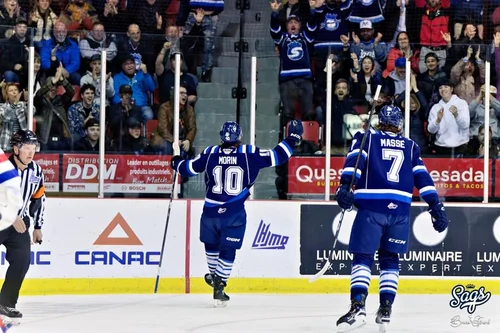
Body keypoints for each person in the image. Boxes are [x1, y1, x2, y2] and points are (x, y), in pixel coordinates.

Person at [334, 105, 449, 332]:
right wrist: (436, 206)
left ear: (379, 121)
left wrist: (344, 188)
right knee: (390, 259)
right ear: (399, 124)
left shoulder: (366, 137)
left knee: (363, 257)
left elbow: (354, 163)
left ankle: (358, 306)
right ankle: (385, 309)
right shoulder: (411, 145)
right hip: (400, 213)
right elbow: (422, 178)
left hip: (371, 209)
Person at [170, 120, 303, 307]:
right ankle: (220, 282)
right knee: (228, 250)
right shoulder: (248, 153)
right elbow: (279, 155)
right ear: (239, 137)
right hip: (233, 213)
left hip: (210, 212)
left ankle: (216, 278)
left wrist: (176, 159)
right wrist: (293, 137)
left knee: (211, 246)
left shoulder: (209, 153)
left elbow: (187, 169)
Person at [0, 130, 46, 320]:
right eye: (27, 148)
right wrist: (10, 214)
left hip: (19, 226)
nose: (31, 152)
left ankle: (6, 304)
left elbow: (39, 198)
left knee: (22, 261)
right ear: (16, 149)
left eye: (33, 148)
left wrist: (37, 226)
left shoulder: (36, 171)